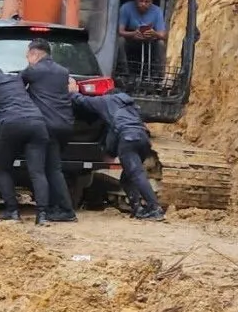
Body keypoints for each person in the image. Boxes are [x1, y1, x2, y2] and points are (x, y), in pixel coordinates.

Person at [68, 79, 166, 220]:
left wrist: (72, 91)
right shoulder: (132, 106)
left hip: (128, 139)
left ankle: (154, 208)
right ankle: (137, 208)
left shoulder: (107, 100)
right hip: (143, 140)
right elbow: (114, 130)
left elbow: (83, 101)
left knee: (136, 174)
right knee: (127, 178)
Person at [0, 66, 52, 225]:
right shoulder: (16, 80)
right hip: (37, 123)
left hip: (11, 124)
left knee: (3, 169)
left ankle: (12, 211)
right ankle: (42, 215)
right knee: (37, 172)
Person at [21, 38, 79, 223]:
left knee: (39, 170)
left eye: (28, 55)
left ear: (35, 54)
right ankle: (65, 210)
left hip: (44, 125)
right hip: (63, 124)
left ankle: (45, 211)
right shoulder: (63, 71)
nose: (27, 59)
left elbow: (15, 85)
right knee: (54, 169)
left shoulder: (34, 70)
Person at [119, 0, 167, 77]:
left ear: (151, 2)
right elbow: (119, 31)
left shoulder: (157, 11)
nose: (143, 4)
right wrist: (133, 34)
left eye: (147, 2)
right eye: (141, 1)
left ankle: (158, 76)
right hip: (131, 38)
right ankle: (124, 73)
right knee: (120, 41)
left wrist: (154, 34)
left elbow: (163, 35)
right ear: (135, 1)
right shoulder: (126, 8)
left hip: (149, 40)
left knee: (161, 44)